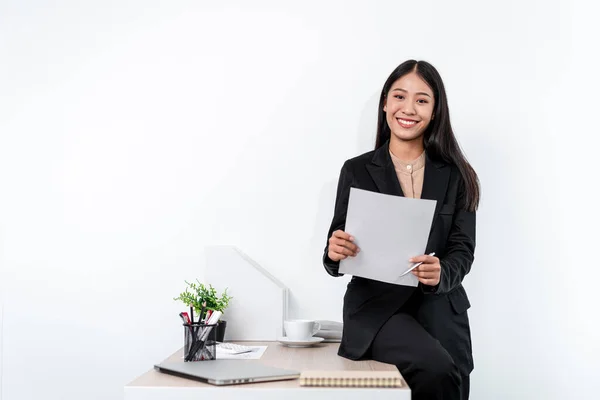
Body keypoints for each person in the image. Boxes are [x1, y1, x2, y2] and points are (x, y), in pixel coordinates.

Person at [323, 59, 480, 400]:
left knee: (453, 376)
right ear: (384, 103)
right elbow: (337, 247)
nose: (409, 108)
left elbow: (462, 249)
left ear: (436, 111)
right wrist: (335, 252)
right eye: (399, 96)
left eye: (422, 100)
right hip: (378, 311)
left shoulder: (457, 175)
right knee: (434, 367)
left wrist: (442, 272)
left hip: (440, 307)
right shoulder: (357, 170)